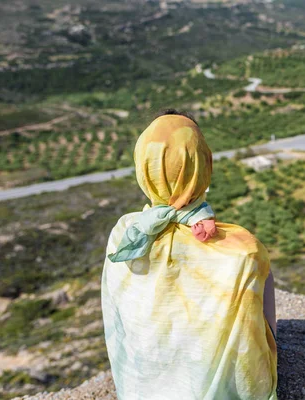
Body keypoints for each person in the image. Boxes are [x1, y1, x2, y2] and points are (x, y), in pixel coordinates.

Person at [101, 110, 277, 399]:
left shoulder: (125, 234)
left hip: (139, 389)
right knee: (260, 269)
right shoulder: (242, 252)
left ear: (144, 167)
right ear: (203, 164)